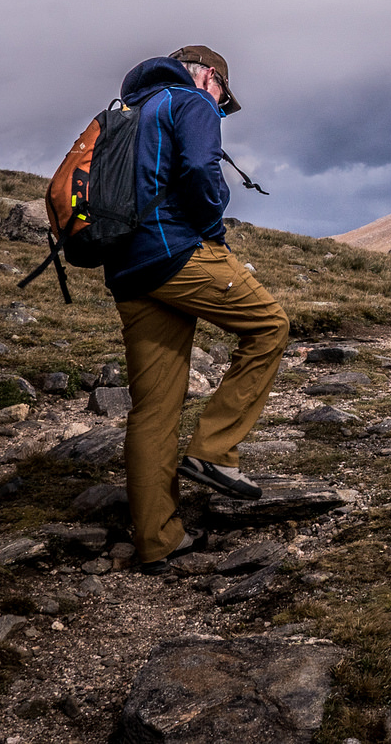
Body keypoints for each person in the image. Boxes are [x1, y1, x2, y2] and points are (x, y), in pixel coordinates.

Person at [102, 45, 290, 573]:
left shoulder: (130, 109)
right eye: (224, 97)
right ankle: (213, 451)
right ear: (210, 75)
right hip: (177, 250)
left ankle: (157, 541)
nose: (221, 107)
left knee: (154, 406)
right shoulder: (191, 100)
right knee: (270, 326)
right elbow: (200, 169)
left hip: (127, 269)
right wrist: (214, 234)